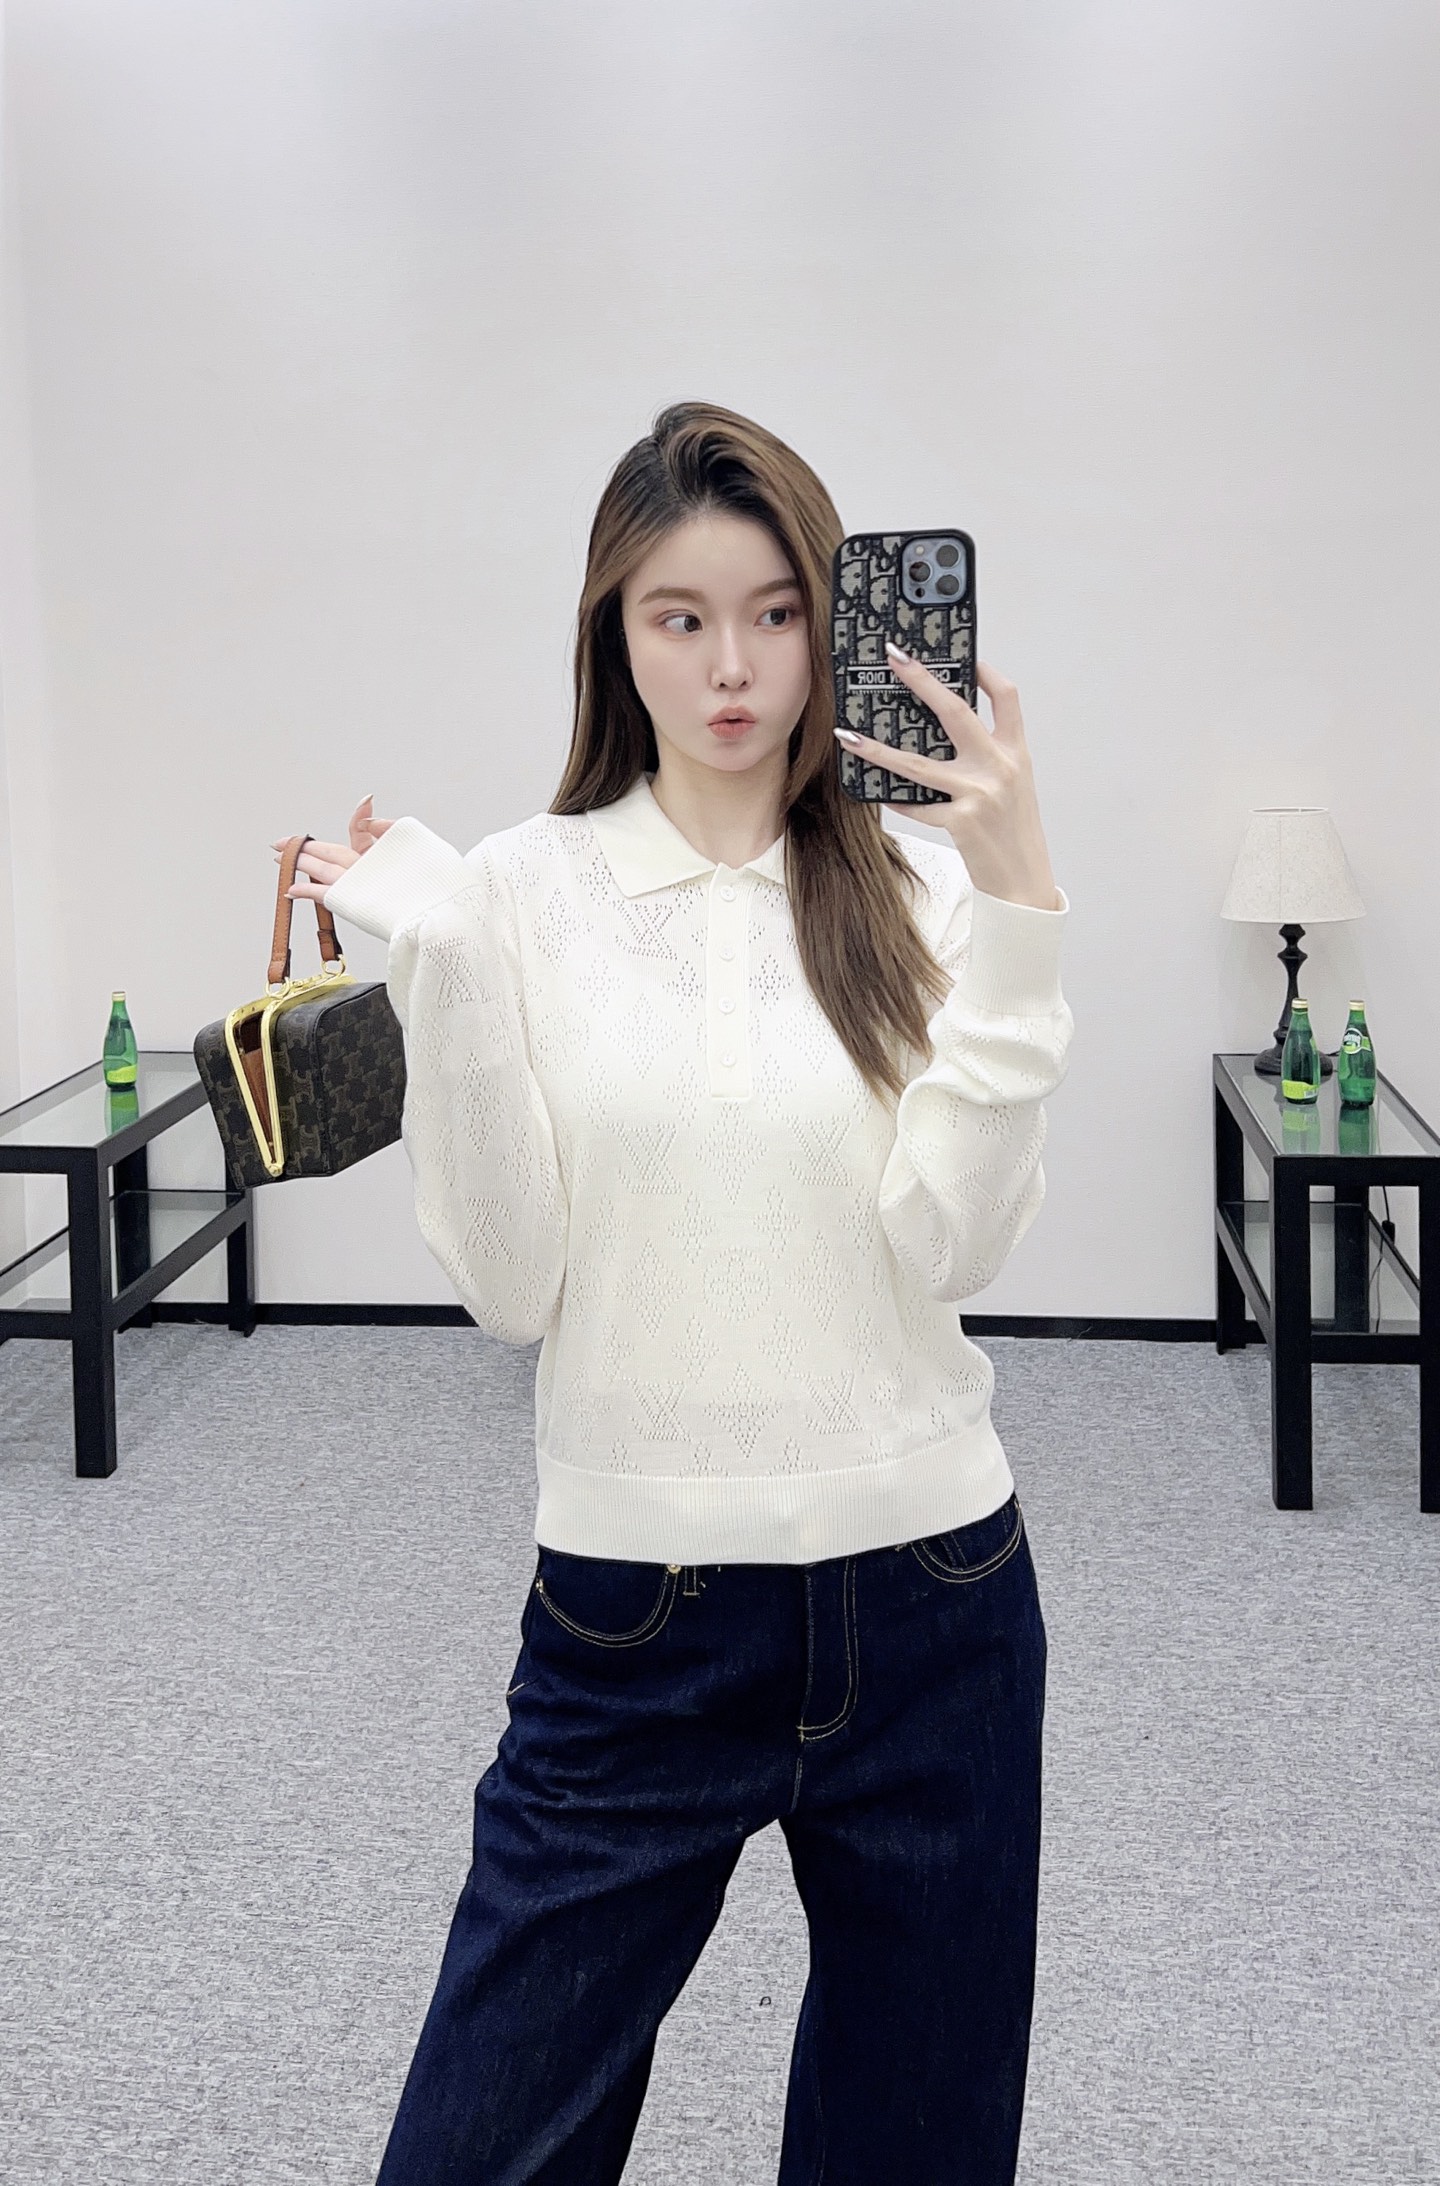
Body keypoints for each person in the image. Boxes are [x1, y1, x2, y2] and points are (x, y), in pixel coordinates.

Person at [273, 402, 1073, 2186]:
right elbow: (512, 1285)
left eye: (779, 613)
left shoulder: (922, 891)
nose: (733, 668)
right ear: (612, 632)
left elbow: (959, 1249)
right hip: (636, 1619)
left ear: (831, 624)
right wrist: (448, 959)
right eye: (681, 615)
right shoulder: (517, 894)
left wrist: (1021, 907)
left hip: (935, 1602)